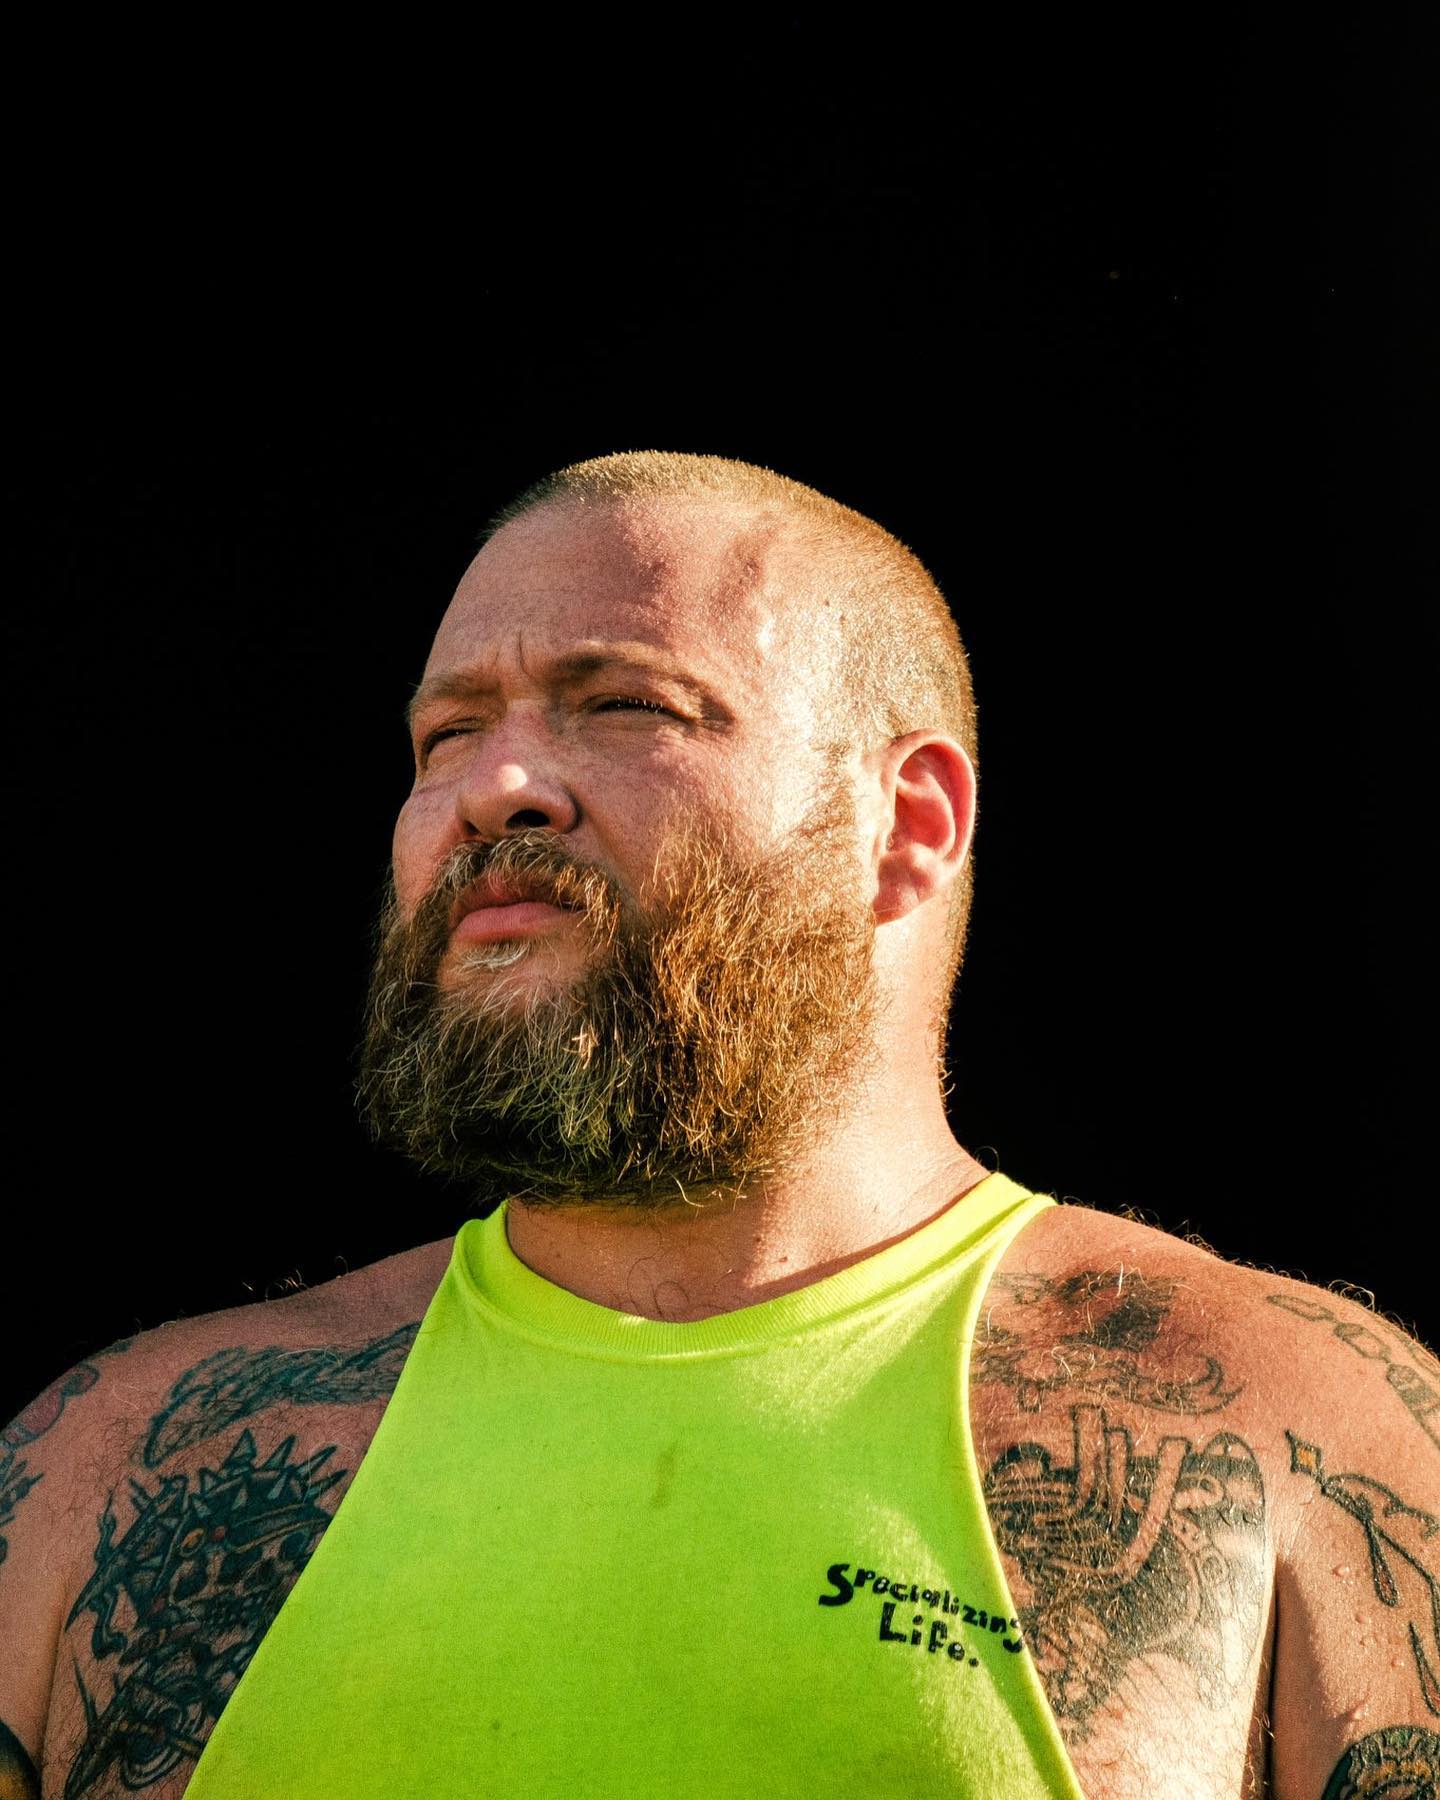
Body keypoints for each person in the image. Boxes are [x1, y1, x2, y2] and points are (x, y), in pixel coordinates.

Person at [3, 452, 1436, 1800]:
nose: (494, 789)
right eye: (448, 734)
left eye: (625, 704)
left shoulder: (1306, 1434)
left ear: (909, 821)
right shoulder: (113, 1464)